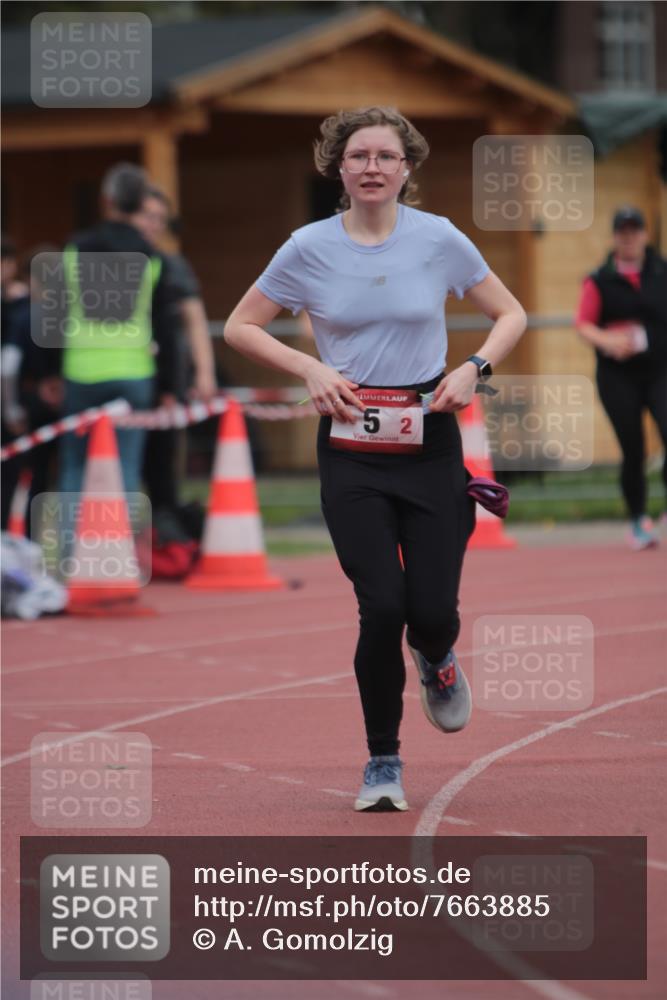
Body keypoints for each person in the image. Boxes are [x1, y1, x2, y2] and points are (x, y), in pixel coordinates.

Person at [224, 107, 526, 811]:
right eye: (357, 155)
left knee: (430, 610)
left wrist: (472, 368)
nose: (370, 167)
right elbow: (240, 325)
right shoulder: (306, 247)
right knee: (380, 606)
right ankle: (382, 763)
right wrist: (308, 369)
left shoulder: (437, 240)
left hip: (429, 439)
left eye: (384, 156)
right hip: (351, 447)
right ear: (337, 166)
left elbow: (508, 313)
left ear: (405, 169)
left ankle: (438, 656)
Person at [575, 207, 667, 550]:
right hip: (618, 376)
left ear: (645, 234)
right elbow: (583, 323)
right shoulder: (599, 278)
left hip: (660, 369)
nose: (630, 238)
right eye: (623, 232)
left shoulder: (661, 271)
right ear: (615, 237)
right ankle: (638, 520)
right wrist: (609, 341)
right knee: (634, 449)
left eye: (635, 231)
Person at [131, 185, 217, 514]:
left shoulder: (172, 265)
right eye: (146, 216)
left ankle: (165, 541)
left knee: (162, 467)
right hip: (123, 375)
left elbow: (195, 321)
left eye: (159, 219)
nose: (152, 225)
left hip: (166, 379)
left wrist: (204, 373)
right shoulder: (108, 263)